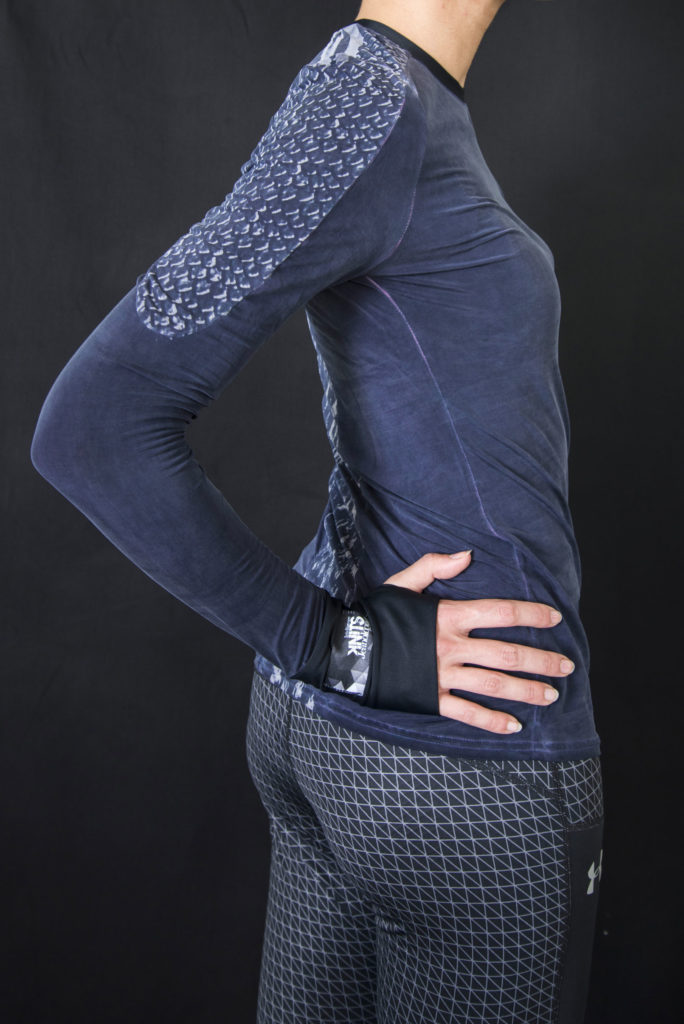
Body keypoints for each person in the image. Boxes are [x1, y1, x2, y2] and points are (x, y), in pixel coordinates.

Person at [30, 0, 604, 1020]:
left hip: (357, 749)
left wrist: (336, 651)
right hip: (465, 768)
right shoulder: (377, 101)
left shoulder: (384, 97)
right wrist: (337, 643)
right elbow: (91, 429)